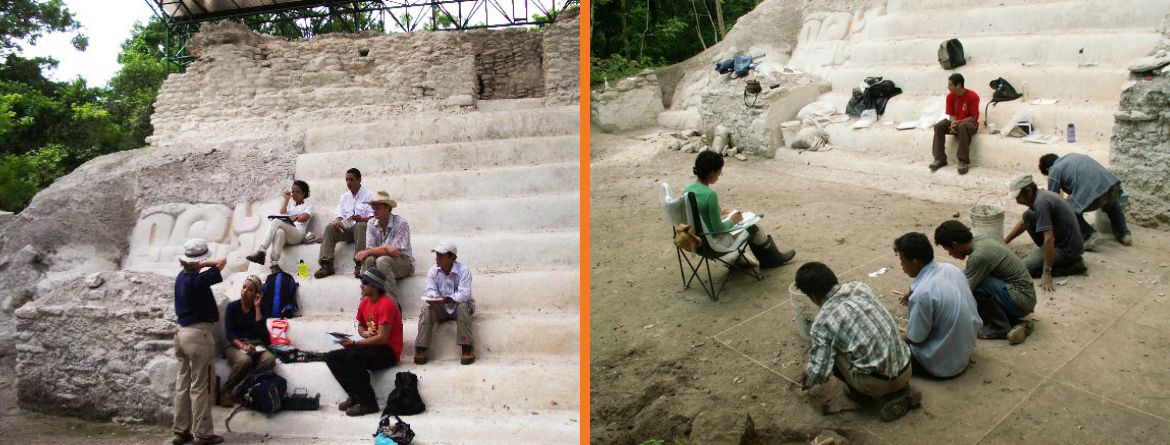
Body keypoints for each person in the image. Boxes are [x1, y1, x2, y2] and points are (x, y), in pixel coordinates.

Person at [796, 262, 922, 422]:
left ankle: (862, 395)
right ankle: (902, 391)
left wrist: (807, 374)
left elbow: (820, 373)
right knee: (865, 337)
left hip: (877, 385)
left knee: (832, 352)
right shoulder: (859, 287)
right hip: (906, 368)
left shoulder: (821, 323)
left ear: (812, 296)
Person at [683, 150, 795, 268]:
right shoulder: (710, 195)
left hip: (695, 240)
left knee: (736, 218)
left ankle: (744, 261)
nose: (719, 177)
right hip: (713, 242)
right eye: (719, 173)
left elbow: (698, 215)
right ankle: (773, 260)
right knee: (753, 227)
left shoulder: (688, 189)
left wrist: (719, 214)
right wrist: (733, 220)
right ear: (712, 173)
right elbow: (718, 228)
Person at [934, 220, 1036, 345]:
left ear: (955, 245)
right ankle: (1017, 324)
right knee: (976, 283)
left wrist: (937, 305)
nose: (950, 254)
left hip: (1021, 299)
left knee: (977, 287)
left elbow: (962, 288)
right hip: (1026, 296)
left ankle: (1000, 328)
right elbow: (966, 274)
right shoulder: (983, 239)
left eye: (948, 250)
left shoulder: (979, 256)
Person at [894, 232, 981, 379]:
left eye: (902, 261)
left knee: (890, 349)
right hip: (965, 348)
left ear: (915, 263)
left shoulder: (921, 295)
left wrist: (893, 339)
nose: (902, 266)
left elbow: (915, 338)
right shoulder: (951, 269)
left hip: (944, 365)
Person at [325, 268, 403, 416]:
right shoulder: (364, 303)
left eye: (365, 282)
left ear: (375, 286)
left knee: (353, 356)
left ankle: (368, 403)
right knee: (331, 357)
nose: (361, 285)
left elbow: (382, 338)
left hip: (388, 351)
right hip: (371, 346)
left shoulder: (387, 304)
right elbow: (360, 325)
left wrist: (354, 344)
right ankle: (355, 395)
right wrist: (364, 333)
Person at [172, 238, 226, 445]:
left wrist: (196, 263)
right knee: (199, 385)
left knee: (182, 384)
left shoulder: (181, 277)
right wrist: (204, 263)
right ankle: (203, 433)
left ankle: (180, 430)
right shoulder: (198, 280)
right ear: (198, 261)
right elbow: (221, 262)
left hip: (181, 333)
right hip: (198, 335)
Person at [1004, 174, 1086, 291]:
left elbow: (1049, 238)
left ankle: (1074, 265)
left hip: (1067, 249)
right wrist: (1004, 241)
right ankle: (1046, 256)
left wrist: (1047, 272)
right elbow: (1023, 222)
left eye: (1019, 197)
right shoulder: (1040, 196)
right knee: (1027, 216)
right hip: (1062, 239)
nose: (1017, 202)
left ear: (1029, 191)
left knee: (1021, 269)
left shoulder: (1041, 202)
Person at [1039, 153, 1132, 249]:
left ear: (1047, 169)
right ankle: (1124, 235)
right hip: (1112, 186)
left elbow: (1053, 199)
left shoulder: (1054, 169)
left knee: (1067, 210)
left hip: (1093, 193)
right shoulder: (1073, 156)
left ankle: (1090, 235)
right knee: (1112, 205)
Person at [414, 241, 475, 366]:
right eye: (437, 255)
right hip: (441, 308)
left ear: (452, 257)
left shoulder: (464, 271)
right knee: (426, 307)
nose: (437, 258)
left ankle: (466, 346)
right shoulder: (433, 271)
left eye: (441, 255)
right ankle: (421, 347)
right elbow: (430, 291)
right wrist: (435, 299)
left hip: (458, 307)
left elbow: (464, 294)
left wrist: (448, 299)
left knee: (463, 306)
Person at [219, 275, 277, 407]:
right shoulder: (232, 307)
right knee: (245, 361)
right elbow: (230, 333)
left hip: (256, 345)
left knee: (269, 360)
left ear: (257, 295)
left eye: (250, 289)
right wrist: (243, 346)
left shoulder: (260, 309)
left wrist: (257, 308)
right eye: (244, 287)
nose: (244, 291)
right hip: (235, 345)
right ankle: (226, 391)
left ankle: (243, 389)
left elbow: (262, 335)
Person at [353, 190, 413, 299]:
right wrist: (384, 248)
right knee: (369, 260)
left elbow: (395, 252)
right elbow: (373, 249)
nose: (374, 211)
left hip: (403, 262)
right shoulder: (371, 223)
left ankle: (392, 304)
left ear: (387, 208)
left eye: (378, 208)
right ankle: (367, 302)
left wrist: (369, 251)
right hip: (381, 259)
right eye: (373, 208)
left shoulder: (401, 223)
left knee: (382, 261)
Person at [316, 168, 375, 278]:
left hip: (364, 230)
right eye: (347, 180)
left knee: (359, 225)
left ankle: (360, 264)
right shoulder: (345, 197)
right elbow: (339, 214)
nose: (348, 183)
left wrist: (362, 219)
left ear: (359, 180)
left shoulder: (369, 195)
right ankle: (326, 264)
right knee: (330, 227)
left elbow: (374, 216)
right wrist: (338, 221)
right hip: (348, 230)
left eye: (351, 180)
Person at [246, 180, 314, 268]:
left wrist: (293, 217)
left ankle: (261, 251)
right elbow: (282, 213)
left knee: (276, 221)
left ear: (304, 194)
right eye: (293, 192)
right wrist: (286, 199)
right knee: (279, 232)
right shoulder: (290, 207)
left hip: (298, 235)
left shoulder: (308, 205)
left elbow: (304, 217)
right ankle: (274, 263)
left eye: (298, 192)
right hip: (288, 236)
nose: (294, 194)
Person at [930, 73, 980, 175]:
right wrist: (953, 124)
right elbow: (952, 115)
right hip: (957, 122)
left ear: (959, 85)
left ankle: (963, 161)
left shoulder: (973, 96)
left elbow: (973, 118)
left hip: (969, 124)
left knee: (962, 126)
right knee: (939, 126)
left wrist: (958, 123)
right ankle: (940, 159)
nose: (948, 87)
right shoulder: (950, 96)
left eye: (950, 85)